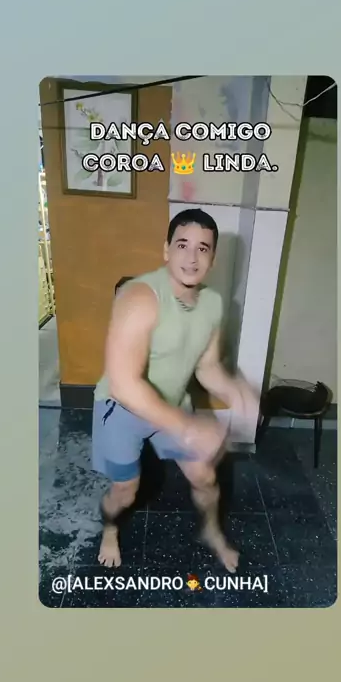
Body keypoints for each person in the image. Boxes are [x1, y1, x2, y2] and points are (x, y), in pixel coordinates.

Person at [91, 208, 259, 572]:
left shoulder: (213, 304)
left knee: (205, 476)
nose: (192, 257)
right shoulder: (139, 297)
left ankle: (212, 531)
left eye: (203, 248)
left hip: (171, 403)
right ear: (166, 250)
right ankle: (110, 528)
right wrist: (188, 427)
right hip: (120, 409)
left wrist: (236, 391)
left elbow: (207, 366)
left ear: (213, 259)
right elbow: (123, 383)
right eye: (182, 245)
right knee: (125, 491)